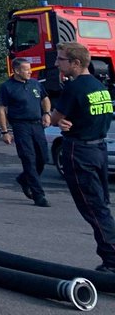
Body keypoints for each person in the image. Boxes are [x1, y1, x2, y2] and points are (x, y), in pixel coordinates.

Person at [49, 42, 115, 272]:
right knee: (102, 205)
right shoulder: (99, 86)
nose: (57, 63)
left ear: (76, 63)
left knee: (93, 207)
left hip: (80, 151)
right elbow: (95, 116)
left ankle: (112, 260)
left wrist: (56, 119)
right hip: (98, 149)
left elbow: (55, 117)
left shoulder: (74, 88)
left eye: (61, 59)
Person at [0, 57, 52, 207]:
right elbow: (1, 109)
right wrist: (5, 131)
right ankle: (38, 195)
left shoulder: (35, 84)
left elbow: (45, 98)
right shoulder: (7, 87)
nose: (30, 71)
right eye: (26, 69)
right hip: (21, 126)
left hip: (37, 125)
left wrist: (47, 113)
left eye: (30, 68)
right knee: (29, 159)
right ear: (16, 71)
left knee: (42, 158)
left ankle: (24, 178)